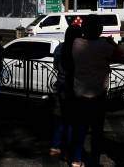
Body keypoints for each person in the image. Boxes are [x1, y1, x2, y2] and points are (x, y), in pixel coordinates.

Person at [71, 14, 122, 167]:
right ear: (99, 29)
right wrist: (112, 43)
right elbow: (120, 55)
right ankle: (94, 160)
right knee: (97, 131)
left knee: (79, 129)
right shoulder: (104, 46)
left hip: (79, 94)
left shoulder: (76, 43)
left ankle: (76, 160)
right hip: (98, 95)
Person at [50, 25, 82, 158]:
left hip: (61, 85)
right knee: (72, 120)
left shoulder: (60, 48)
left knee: (59, 117)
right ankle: (68, 150)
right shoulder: (80, 49)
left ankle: (55, 146)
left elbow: (55, 65)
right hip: (75, 87)